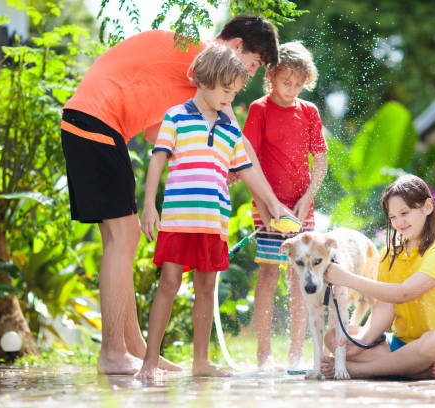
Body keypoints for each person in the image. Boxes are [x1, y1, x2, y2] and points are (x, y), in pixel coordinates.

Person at [60, 15, 280, 375]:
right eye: (252, 65)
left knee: (123, 235)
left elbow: (153, 133)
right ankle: (113, 352)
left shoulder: (187, 81)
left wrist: (208, 159)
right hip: (97, 120)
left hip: (98, 124)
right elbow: (237, 143)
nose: (243, 80)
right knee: (123, 236)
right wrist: (270, 203)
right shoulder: (203, 57)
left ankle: (134, 349)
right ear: (236, 47)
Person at [137, 44, 291, 379]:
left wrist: (274, 204)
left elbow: (248, 170)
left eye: (234, 92)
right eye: (225, 90)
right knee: (169, 283)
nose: (229, 99)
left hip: (213, 223)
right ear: (204, 81)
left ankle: (200, 361)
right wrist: (149, 206)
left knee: (206, 289)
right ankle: (150, 361)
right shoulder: (176, 116)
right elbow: (157, 161)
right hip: (178, 220)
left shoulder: (229, 128)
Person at [321, 174, 435, 380]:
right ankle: (415, 369)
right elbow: (384, 306)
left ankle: (359, 371)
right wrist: (362, 341)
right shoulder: (390, 254)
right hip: (400, 345)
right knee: (335, 337)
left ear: (427, 207)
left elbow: (403, 293)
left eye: (404, 213)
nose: (399, 222)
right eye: (393, 217)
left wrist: (346, 278)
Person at [242, 41, 328, 369]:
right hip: (267, 207)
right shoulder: (259, 109)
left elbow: (319, 160)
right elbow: (249, 159)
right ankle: (263, 352)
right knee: (267, 273)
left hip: (302, 210)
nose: (291, 90)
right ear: (271, 76)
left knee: (301, 277)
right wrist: (266, 209)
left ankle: (295, 353)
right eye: (285, 82)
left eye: (298, 84)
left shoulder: (309, 112)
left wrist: (307, 200)